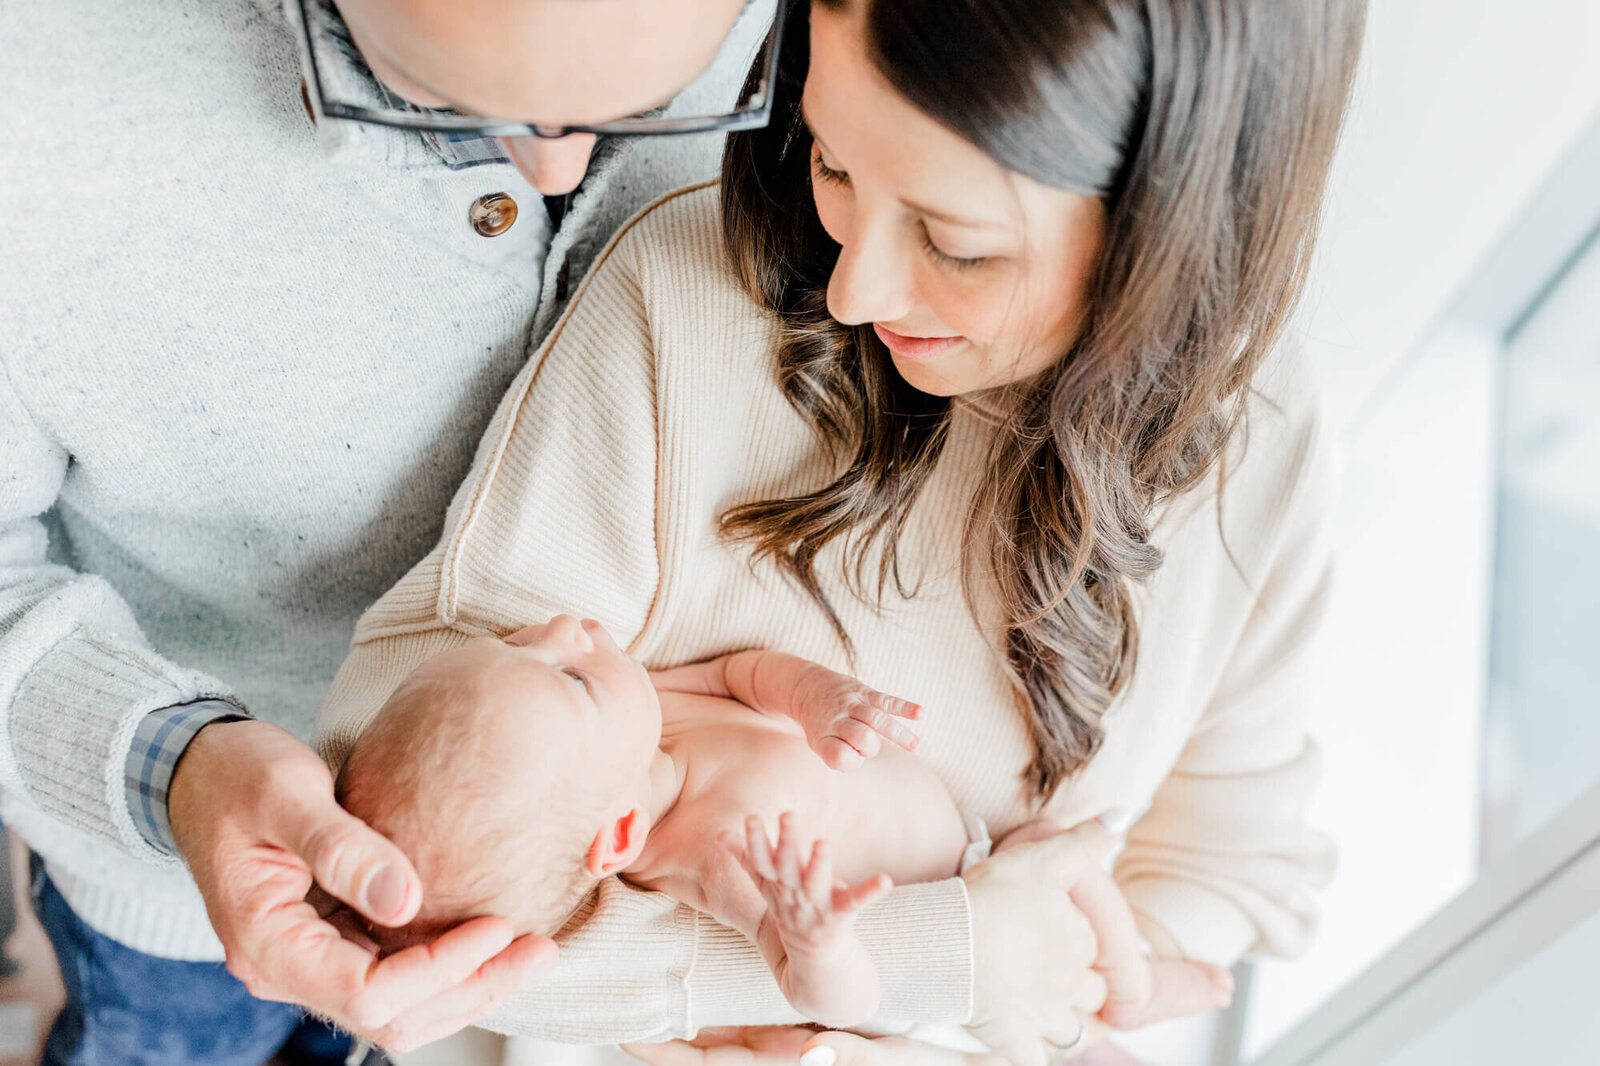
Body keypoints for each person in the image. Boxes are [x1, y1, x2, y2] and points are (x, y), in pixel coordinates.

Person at [315, 0, 1366, 1061]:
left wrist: (1075, 972)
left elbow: (1230, 855)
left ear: (1169, 230)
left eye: (957, 247)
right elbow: (395, 885)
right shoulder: (686, 299)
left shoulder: (1259, 437)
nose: (855, 286)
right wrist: (948, 954)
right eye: (831, 163)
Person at [0, 0, 778, 1060]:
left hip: (517, 930)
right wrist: (172, 763)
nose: (557, 175)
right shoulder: (36, 92)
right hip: (158, 893)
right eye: (432, 98)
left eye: (657, 104)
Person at [328, 616, 1232, 1036]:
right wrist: (817, 938)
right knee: (1053, 877)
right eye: (570, 673)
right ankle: (1132, 991)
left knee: (1055, 843)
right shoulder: (713, 853)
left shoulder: (645, 711)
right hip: (949, 918)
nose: (568, 628)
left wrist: (818, 696)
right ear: (616, 838)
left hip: (980, 843)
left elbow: (744, 673)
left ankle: (1124, 990)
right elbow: (825, 999)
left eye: (522, 644)